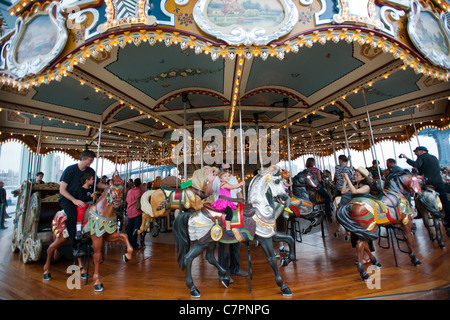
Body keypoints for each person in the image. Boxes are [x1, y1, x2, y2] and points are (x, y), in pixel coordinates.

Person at [59, 150, 108, 256]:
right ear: (83, 159)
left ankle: (91, 241)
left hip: (84, 197)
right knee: (72, 216)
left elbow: (98, 184)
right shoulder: (70, 170)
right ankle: (76, 246)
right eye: (90, 160)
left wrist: (109, 187)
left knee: (96, 214)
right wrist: (74, 200)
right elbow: (62, 190)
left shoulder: (91, 170)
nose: (91, 162)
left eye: (92, 160)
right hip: (68, 198)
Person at [206, 163, 248, 281]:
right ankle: (223, 272)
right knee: (224, 243)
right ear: (220, 171)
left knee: (236, 241)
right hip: (222, 211)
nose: (228, 171)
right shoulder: (216, 180)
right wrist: (210, 182)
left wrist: (242, 203)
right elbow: (208, 193)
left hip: (234, 209)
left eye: (230, 169)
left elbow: (238, 191)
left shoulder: (233, 178)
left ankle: (235, 268)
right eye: (225, 169)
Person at [401, 146, 450, 236]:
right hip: (438, 182)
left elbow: (416, 164)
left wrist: (406, 158)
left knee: (418, 195)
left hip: (427, 182)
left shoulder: (422, 157)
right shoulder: (434, 157)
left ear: (422, 151)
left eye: (416, 152)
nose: (415, 154)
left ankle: (420, 212)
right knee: (445, 202)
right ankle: (448, 222)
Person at [210, 170, 245, 237]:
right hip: (223, 202)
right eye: (225, 176)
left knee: (231, 211)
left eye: (228, 176)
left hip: (227, 201)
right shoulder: (223, 184)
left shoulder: (227, 183)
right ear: (220, 178)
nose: (227, 177)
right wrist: (240, 184)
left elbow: (233, 186)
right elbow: (233, 187)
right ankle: (227, 228)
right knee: (229, 212)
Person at [75, 172, 96, 240]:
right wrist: (90, 197)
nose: (93, 181)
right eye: (92, 179)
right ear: (87, 180)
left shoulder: (91, 189)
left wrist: (94, 198)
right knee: (80, 211)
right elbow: (82, 198)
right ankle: (78, 229)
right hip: (83, 204)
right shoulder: (80, 189)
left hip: (90, 204)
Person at [126, 178, 143, 249]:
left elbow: (127, 200)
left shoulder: (129, 191)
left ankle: (127, 242)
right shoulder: (141, 191)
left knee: (129, 227)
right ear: (140, 184)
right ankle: (134, 244)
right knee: (136, 228)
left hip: (129, 211)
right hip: (137, 212)